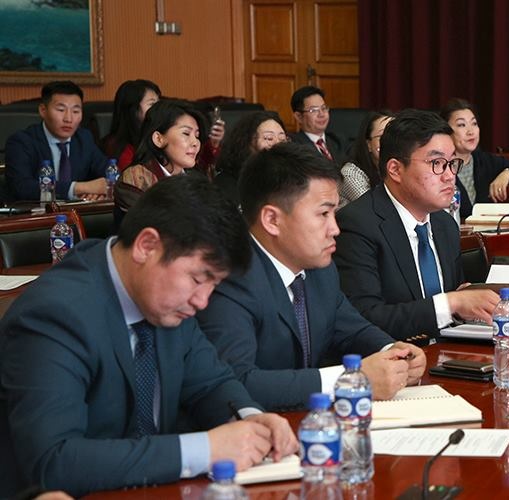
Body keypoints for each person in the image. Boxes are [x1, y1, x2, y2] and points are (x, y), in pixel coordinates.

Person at [0, 175, 298, 497]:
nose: (203, 301)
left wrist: (252, 420)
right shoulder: (56, 314)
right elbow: (54, 462)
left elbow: (212, 384)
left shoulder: (165, 300)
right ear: (147, 246)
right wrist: (205, 449)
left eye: (214, 285)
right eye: (199, 279)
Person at [197, 143, 427, 410]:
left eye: (334, 213)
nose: (335, 229)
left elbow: (350, 329)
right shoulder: (229, 278)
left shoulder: (319, 268)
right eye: (323, 214)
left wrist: (394, 353)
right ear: (272, 220)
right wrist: (348, 380)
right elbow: (236, 383)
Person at [335, 109, 499, 340]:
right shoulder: (357, 224)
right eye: (436, 163)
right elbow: (364, 319)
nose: (449, 176)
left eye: (452, 163)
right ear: (395, 169)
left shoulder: (445, 224)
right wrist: (450, 303)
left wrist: (463, 300)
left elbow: (448, 307)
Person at [4, 80, 108, 201]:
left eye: (75, 111)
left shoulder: (84, 138)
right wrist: (77, 188)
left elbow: (108, 172)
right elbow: (22, 187)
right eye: (60, 110)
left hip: (78, 211)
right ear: (43, 110)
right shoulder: (21, 142)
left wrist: (99, 192)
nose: (68, 119)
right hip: (36, 211)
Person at [441, 98, 509, 219]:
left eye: (474, 123)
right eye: (461, 125)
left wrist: (507, 174)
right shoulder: (438, 167)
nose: (471, 131)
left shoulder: (484, 160)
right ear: (446, 130)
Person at [114, 99, 205, 228]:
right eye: (186, 133)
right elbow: (158, 228)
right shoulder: (136, 179)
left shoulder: (197, 178)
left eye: (197, 136)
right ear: (158, 139)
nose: (195, 143)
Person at [213, 110, 287, 204]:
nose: (277, 144)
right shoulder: (226, 184)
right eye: (269, 138)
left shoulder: (289, 180)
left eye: (282, 139)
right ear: (246, 143)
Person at [100, 79, 162, 168]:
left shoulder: (159, 136)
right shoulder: (117, 147)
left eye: (158, 103)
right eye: (152, 104)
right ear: (133, 110)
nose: (159, 108)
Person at [339, 110, 393, 205]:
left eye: (394, 136)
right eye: (382, 136)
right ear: (368, 144)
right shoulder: (350, 173)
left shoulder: (401, 167)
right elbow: (376, 208)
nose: (389, 141)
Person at [288, 85, 340, 163]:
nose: (321, 114)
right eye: (314, 110)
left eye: (323, 108)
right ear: (299, 117)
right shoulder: (294, 147)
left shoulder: (337, 141)